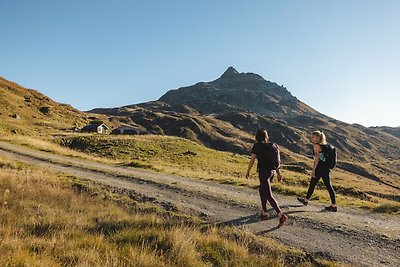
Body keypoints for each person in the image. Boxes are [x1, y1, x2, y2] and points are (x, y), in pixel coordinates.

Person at [246, 128, 288, 228]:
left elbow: (252, 160)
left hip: (263, 172)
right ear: (266, 136)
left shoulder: (257, 146)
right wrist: (278, 173)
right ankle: (264, 212)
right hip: (271, 172)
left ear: (257, 136)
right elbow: (275, 162)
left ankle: (281, 215)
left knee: (268, 195)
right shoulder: (271, 145)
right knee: (262, 190)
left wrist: (248, 171)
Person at [297, 130, 337, 212]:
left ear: (318, 138)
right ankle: (333, 205)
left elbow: (316, 160)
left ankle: (306, 200)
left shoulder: (316, 146)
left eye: (313, 137)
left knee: (313, 184)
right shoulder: (324, 145)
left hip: (319, 168)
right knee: (328, 186)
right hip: (326, 169)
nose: (311, 138)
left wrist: (313, 170)